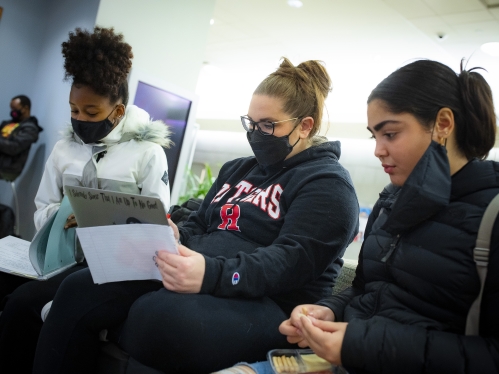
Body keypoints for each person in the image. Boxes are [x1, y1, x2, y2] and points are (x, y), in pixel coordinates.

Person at [32, 58, 360, 374]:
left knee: (158, 318)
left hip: (270, 303)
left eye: (268, 125)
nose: (255, 133)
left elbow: (288, 263)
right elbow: (200, 223)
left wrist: (209, 274)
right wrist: (174, 236)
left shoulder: (328, 185)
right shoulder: (238, 169)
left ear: (305, 126)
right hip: (198, 276)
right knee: (80, 287)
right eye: (250, 123)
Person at [273, 59, 499, 374]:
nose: (378, 150)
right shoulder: (390, 200)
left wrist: (363, 344)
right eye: (374, 137)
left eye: (390, 134)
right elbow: (367, 289)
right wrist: (329, 310)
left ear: (443, 125)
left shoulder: (492, 215)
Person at [0, 26, 171, 374]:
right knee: (14, 301)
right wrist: (64, 214)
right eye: (74, 110)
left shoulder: (148, 154)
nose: (80, 120)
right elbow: (43, 205)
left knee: (39, 307)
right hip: (61, 258)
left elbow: (156, 223)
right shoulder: (64, 149)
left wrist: (103, 218)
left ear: (118, 112)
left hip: (114, 268)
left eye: (91, 113)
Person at [0, 94, 42, 182]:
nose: (12, 111)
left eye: (15, 109)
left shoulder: (31, 128)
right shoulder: (8, 123)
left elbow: (14, 147)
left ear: (25, 108)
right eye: (11, 109)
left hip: (7, 168)